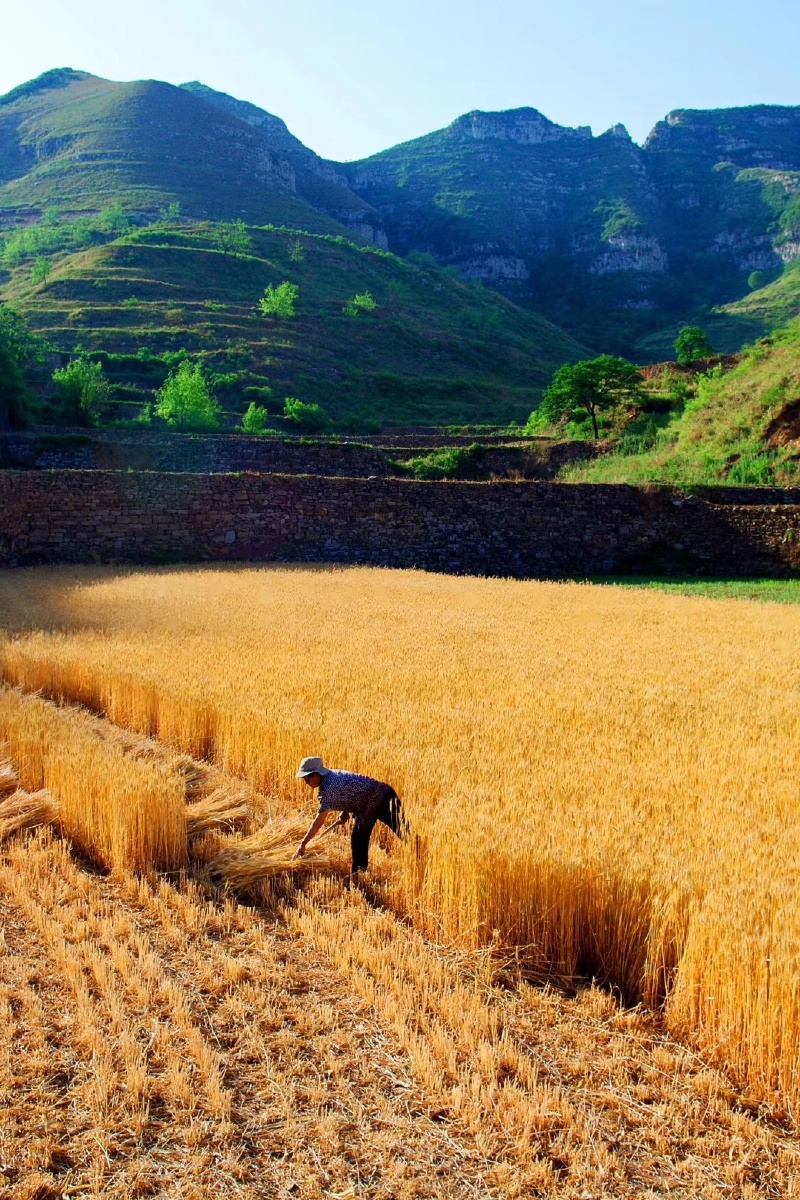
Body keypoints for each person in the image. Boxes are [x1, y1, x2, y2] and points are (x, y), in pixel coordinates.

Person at [293, 756, 404, 874]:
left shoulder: (329, 789)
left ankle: (359, 875)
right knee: (361, 839)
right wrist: (345, 811)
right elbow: (350, 791)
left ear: (316, 775)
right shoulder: (331, 775)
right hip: (375, 800)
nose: (305, 782)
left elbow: (318, 822)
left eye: (306, 778)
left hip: (383, 800)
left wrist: (303, 844)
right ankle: (360, 874)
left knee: (402, 832)